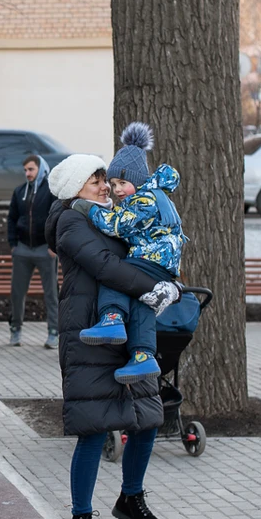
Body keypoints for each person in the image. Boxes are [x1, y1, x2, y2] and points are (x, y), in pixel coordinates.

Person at [45, 153, 179, 519]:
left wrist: (170, 280)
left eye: (104, 178)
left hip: (125, 330)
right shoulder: (72, 220)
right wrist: (152, 290)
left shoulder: (114, 213)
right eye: (94, 181)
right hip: (91, 332)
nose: (104, 186)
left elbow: (146, 249)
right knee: (94, 427)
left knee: (147, 418)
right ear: (74, 190)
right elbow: (104, 265)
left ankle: (131, 498)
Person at [71, 122, 187, 384]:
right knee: (142, 300)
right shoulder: (155, 197)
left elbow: (117, 225)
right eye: (113, 183)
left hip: (151, 259)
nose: (117, 189)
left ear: (137, 179)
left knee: (117, 275)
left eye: (122, 182)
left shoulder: (144, 200)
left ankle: (111, 317)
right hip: (161, 262)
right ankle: (143, 356)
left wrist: (88, 209)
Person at [7, 155, 59, 349]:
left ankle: (54, 331)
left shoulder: (50, 191)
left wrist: (53, 245)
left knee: (51, 293)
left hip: (44, 250)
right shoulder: (20, 191)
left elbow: (56, 218)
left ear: (41, 169)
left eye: (31, 169)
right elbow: (12, 218)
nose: (28, 173)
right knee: (17, 293)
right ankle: (15, 329)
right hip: (22, 250)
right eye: (25, 170)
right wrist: (13, 244)